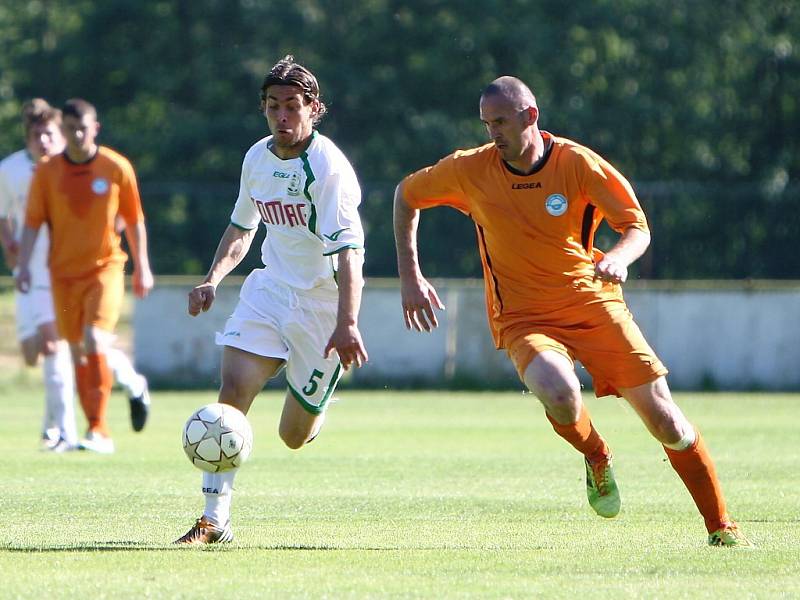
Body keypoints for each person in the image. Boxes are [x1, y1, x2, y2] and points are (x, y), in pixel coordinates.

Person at [393, 76, 750, 547]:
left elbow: (635, 225)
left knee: (667, 422)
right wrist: (410, 277)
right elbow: (406, 195)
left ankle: (721, 528)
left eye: (501, 122)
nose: (492, 133)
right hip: (523, 318)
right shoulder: (469, 169)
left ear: (530, 116)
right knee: (558, 392)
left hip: (594, 303)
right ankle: (597, 454)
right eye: (486, 124)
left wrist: (618, 257)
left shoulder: (577, 163)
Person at [174, 55, 368, 545]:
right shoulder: (257, 157)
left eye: (291, 107)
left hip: (322, 305)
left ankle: (315, 401)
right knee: (232, 393)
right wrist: (213, 279)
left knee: (293, 436)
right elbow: (243, 227)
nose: (282, 117)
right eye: (272, 106)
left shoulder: (328, 169)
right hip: (271, 290)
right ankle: (214, 519)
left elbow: (350, 254)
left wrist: (347, 323)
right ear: (263, 109)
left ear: (313, 108)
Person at [0, 100, 151, 451]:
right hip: (58, 274)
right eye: (71, 128)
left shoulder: (115, 167)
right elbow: (31, 222)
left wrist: (142, 265)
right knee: (72, 351)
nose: (77, 134)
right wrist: (21, 263)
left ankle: (91, 431)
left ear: (95, 128)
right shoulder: (44, 172)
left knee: (91, 341)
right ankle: (116, 398)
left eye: (83, 127)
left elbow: (133, 218)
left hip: (103, 269)